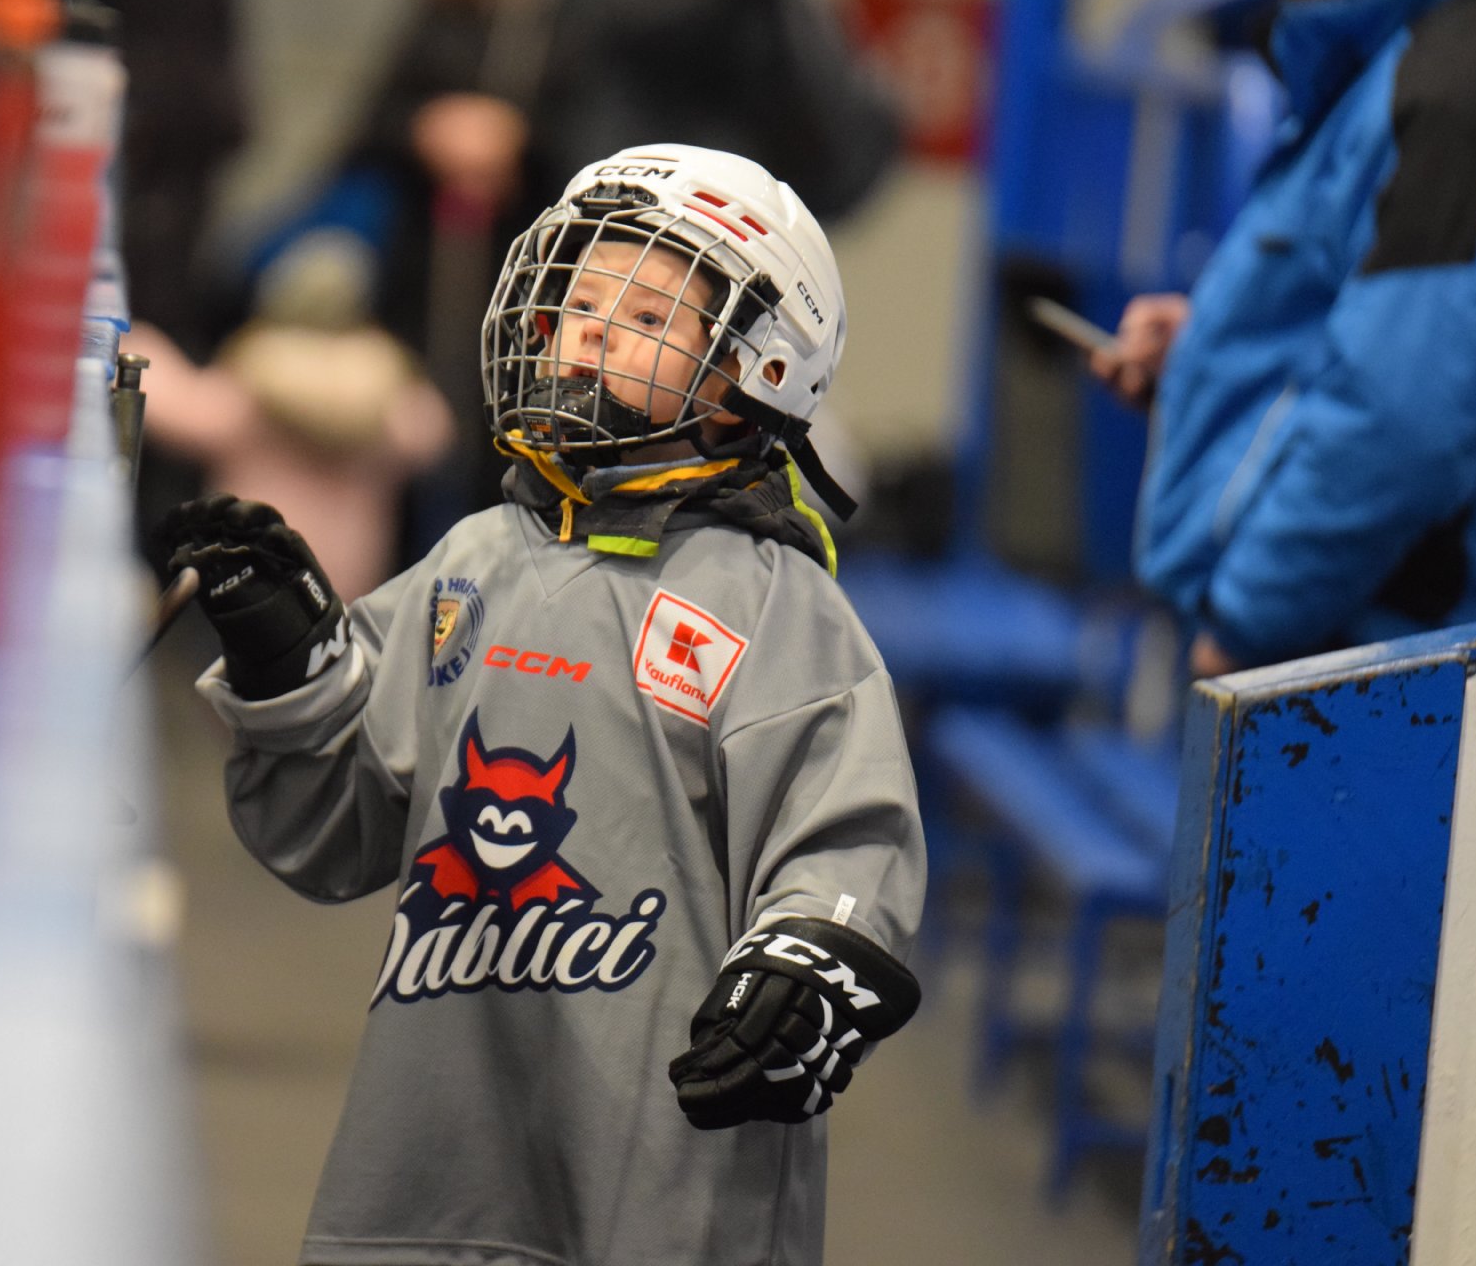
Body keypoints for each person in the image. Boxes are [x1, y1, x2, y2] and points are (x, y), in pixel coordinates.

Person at [161, 144, 925, 1265]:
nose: (593, 330)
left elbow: (846, 835)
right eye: (579, 301)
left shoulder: (774, 608)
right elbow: (336, 833)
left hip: (658, 1185)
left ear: (754, 373)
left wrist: (810, 961)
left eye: (647, 314)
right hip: (433, 1177)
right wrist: (292, 674)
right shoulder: (471, 564)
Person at [1091, 0, 1476, 676]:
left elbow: (1405, 420)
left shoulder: (1469, 75)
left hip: (1395, 683)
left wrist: (1246, 624)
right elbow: (1382, 332)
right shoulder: (1397, 57)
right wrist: (1209, 357)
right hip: (1345, 660)